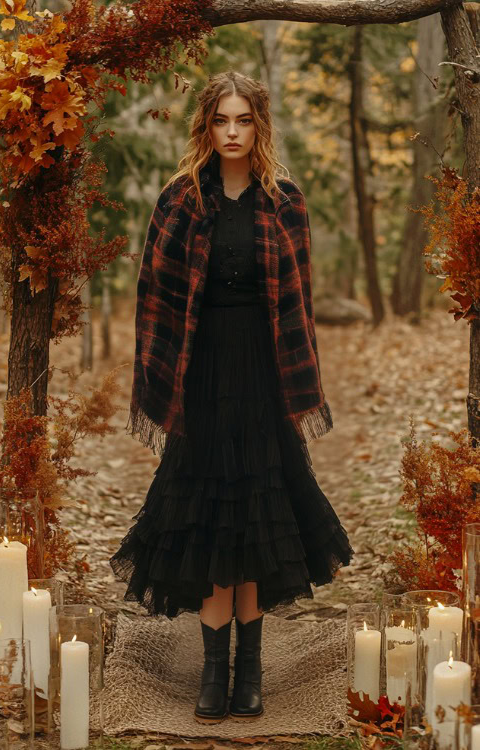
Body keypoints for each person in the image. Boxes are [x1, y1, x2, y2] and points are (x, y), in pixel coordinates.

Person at [110, 70, 353, 724]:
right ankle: (213, 674)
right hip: (203, 369)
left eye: (245, 120)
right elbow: (154, 298)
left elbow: (298, 302)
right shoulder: (180, 200)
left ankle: (251, 672)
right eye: (223, 120)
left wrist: (293, 386)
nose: (234, 132)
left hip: (263, 373)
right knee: (213, 515)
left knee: (255, 510)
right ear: (207, 127)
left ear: (260, 124)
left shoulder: (285, 201)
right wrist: (167, 379)